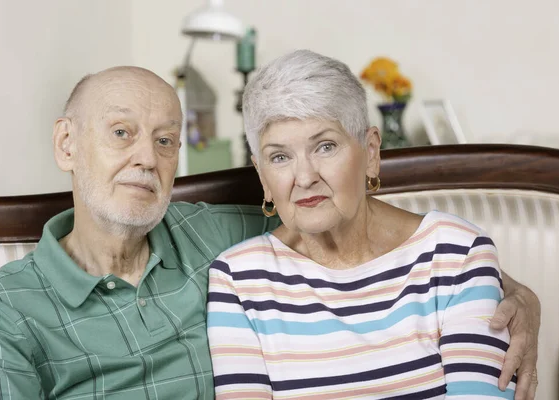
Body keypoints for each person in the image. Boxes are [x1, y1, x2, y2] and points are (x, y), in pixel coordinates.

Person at [0, 66, 537, 399]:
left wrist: (505, 286)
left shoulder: (213, 238)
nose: (146, 158)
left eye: (165, 141)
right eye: (121, 133)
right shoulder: (9, 308)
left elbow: (350, 227)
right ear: (66, 143)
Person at [207, 50, 537, 399]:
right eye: (279, 157)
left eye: (325, 146)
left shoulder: (457, 252)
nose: (304, 177)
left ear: (371, 151)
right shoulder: (237, 279)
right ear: (262, 174)